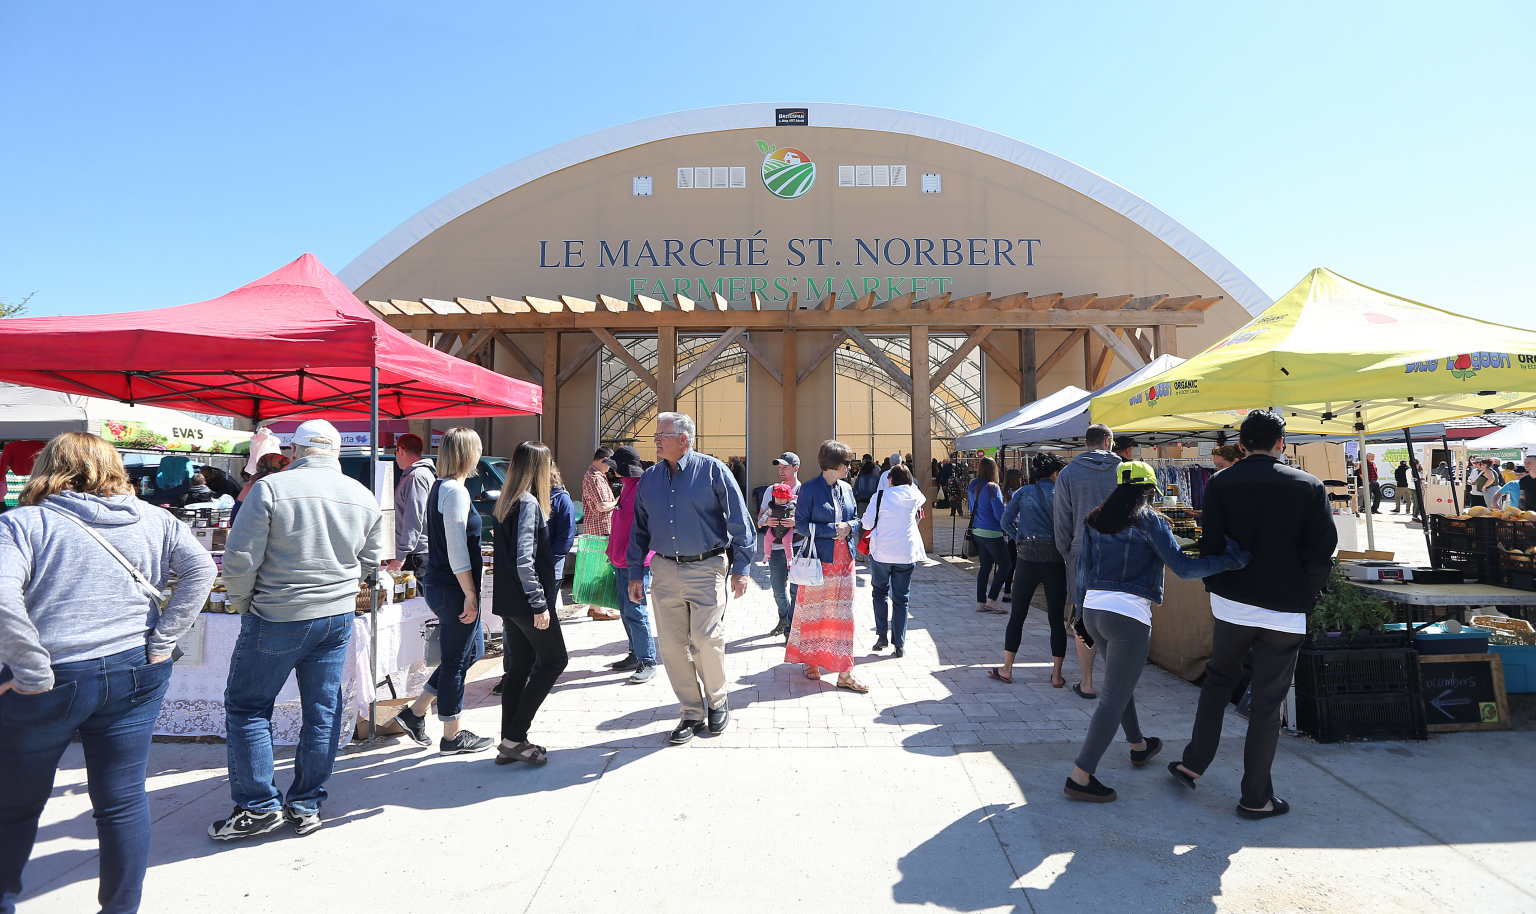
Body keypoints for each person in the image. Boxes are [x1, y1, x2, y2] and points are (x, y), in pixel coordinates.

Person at [0, 433, 216, 913]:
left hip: (57, 675)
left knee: (13, 808)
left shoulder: (24, 524)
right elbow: (200, 569)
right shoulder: (154, 519)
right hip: (133, 669)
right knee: (120, 802)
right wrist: (164, 640)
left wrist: (31, 669)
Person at [210, 419, 384, 841]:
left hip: (277, 612)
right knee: (322, 712)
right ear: (336, 453)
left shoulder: (271, 489)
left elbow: (239, 558)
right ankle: (305, 803)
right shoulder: (363, 496)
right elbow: (372, 562)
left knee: (249, 707)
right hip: (335, 616)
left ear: (294, 451)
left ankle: (257, 807)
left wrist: (245, 603)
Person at [1170, 410, 1337, 819]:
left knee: (1218, 682)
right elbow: (1322, 551)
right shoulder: (1309, 485)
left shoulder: (1222, 482)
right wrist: (1307, 595)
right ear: (1281, 443)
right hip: (1285, 608)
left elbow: (1211, 546)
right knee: (1266, 702)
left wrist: (1218, 587)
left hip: (1232, 602)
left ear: (1241, 445)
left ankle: (1194, 762)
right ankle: (1254, 796)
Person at [1064, 461, 1250, 803]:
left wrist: (1078, 614)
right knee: (1112, 698)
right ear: (1150, 490)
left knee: (1120, 688)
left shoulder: (1095, 518)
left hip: (1093, 611)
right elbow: (1184, 568)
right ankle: (1081, 775)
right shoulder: (1149, 520)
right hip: (1128, 617)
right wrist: (1231, 560)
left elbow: (1083, 568)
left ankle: (1138, 746)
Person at [628, 412, 755, 746]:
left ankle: (718, 701)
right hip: (664, 570)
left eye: (662, 434)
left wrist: (741, 568)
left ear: (682, 439)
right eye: (656, 434)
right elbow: (639, 528)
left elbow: (740, 521)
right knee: (671, 647)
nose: (655, 439)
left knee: (706, 640)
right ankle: (691, 711)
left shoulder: (713, 470)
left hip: (706, 568)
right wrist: (634, 572)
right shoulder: (650, 478)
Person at [393, 428, 493, 755]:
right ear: (469, 454)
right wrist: (471, 593)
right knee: (455, 661)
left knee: (471, 653)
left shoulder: (442, 487)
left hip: (443, 584)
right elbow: (457, 548)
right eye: (477, 449)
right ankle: (452, 735)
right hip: (452, 587)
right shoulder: (454, 490)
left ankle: (416, 712)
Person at [491, 441, 569, 765]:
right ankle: (513, 738)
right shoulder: (528, 502)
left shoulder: (506, 500)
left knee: (519, 668)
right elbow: (524, 559)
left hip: (510, 602)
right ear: (540, 467)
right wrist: (539, 604)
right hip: (528, 603)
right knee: (554, 662)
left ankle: (510, 743)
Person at [786, 440, 867, 691]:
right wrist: (834, 530)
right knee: (814, 613)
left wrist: (849, 527)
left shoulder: (846, 488)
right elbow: (800, 525)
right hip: (819, 563)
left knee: (844, 616)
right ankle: (811, 660)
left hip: (845, 562)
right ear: (833, 463)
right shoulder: (809, 489)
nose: (850, 467)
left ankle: (845, 672)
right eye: (847, 462)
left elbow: (856, 520)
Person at [1052, 423, 1121, 700]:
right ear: (1107, 441)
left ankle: (1088, 681)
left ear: (1086, 443)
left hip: (1082, 552)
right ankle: (1119, 684)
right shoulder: (1125, 470)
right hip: (1121, 550)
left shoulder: (1068, 474)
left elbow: (1062, 522)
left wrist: (1067, 552)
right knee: (1120, 615)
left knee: (1084, 617)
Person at [992, 453, 1069, 687]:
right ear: (1055, 473)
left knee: (1017, 616)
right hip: (1055, 561)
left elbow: (1005, 522)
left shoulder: (1023, 492)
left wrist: (1020, 539)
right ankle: (1056, 675)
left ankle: (1007, 669)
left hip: (1027, 560)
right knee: (1056, 619)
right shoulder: (1063, 494)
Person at [605, 445, 658, 683]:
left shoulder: (639, 490)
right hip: (621, 559)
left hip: (634, 562)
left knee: (635, 611)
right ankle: (636, 653)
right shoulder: (627, 487)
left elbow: (644, 528)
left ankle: (647, 660)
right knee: (627, 610)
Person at [861, 464, 925, 658]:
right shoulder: (916, 497)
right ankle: (900, 644)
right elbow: (919, 497)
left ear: (890, 480)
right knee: (901, 598)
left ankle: (881, 636)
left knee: (879, 592)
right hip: (906, 553)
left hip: (882, 551)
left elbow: (866, 523)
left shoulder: (881, 496)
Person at [760, 452, 803, 638]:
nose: (781, 471)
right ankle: (784, 618)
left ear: (796, 468)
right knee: (778, 588)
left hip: (798, 547)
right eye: (779, 468)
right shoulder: (771, 490)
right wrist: (766, 521)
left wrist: (796, 523)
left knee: (796, 590)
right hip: (776, 548)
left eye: (785, 467)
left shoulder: (804, 491)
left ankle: (792, 626)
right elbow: (761, 515)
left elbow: (811, 519)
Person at [577, 447, 622, 622]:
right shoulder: (595, 478)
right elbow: (602, 506)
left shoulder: (594, 475)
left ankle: (595, 607)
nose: (610, 468)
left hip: (597, 528)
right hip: (600, 529)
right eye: (609, 464)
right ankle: (599, 609)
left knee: (596, 568)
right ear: (603, 460)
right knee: (600, 570)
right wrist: (617, 502)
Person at [387, 433, 435, 574]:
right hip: (417, 553)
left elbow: (413, 518)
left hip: (415, 556)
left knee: (415, 596)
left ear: (400, 450)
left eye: (395, 451)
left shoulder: (416, 477)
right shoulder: (421, 474)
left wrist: (400, 556)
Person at [548, 464, 589, 619]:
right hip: (527, 570)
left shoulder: (561, 499)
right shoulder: (527, 496)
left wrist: (546, 563)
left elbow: (565, 540)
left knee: (544, 619)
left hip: (549, 569)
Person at [969, 457, 1009, 614]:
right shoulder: (993, 488)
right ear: (994, 469)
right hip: (992, 531)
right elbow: (999, 513)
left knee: (984, 567)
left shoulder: (973, 485)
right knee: (1005, 565)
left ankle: (981, 602)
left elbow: (972, 508)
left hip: (977, 530)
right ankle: (992, 600)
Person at [230, 453, 289, 526]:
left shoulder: (257, 485)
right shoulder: (257, 487)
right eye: (284, 471)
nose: (288, 474)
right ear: (271, 473)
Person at [999, 467, 1024, 602]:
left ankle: (1007, 591)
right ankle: (1009, 592)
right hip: (1015, 530)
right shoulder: (1017, 493)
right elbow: (1019, 514)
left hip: (1004, 533)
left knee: (1009, 563)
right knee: (1015, 563)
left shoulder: (1002, 493)